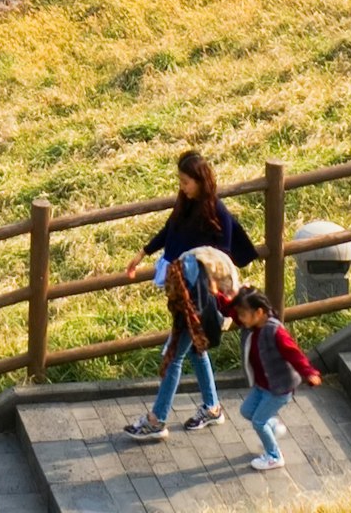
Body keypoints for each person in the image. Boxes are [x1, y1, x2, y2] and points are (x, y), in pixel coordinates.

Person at [121, 153, 251, 439]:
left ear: (201, 181)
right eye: (179, 181)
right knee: (194, 348)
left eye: (186, 181)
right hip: (182, 289)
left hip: (198, 297)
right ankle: (213, 407)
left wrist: (204, 287)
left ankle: (156, 420)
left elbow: (223, 259)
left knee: (172, 354)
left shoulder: (217, 211)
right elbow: (170, 230)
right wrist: (143, 252)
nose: (182, 187)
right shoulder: (185, 204)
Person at [231, 288, 320, 473]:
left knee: (258, 422)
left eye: (243, 314)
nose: (240, 319)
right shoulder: (252, 327)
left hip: (279, 389)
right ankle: (274, 428)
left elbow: (294, 354)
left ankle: (274, 456)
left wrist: (309, 372)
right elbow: (229, 309)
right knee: (247, 411)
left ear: (259, 312)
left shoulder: (275, 331)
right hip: (262, 386)